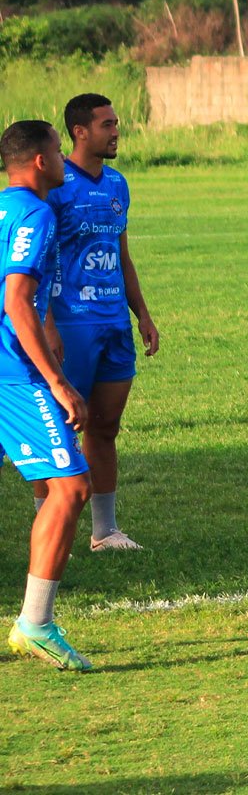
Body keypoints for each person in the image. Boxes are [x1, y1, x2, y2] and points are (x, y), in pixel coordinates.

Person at [34, 94, 159, 553]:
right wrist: (47, 322)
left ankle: (104, 531)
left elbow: (123, 256)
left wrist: (141, 314)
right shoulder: (55, 185)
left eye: (116, 123)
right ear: (80, 131)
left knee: (105, 428)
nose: (116, 132)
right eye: (107, 124)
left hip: (113, 326)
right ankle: (48, 528)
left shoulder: (118, 184)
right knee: (61, 430)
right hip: (71, 325)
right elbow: (41, 262)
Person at [1, 120, 96, 670]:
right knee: (70, 487)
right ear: (40, 161)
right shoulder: (36, 213)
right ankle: (35, 622)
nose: (64, 159)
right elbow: (16, 300)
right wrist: (57, 382)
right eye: (58, 151)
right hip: (13, 374)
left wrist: (49, 321)